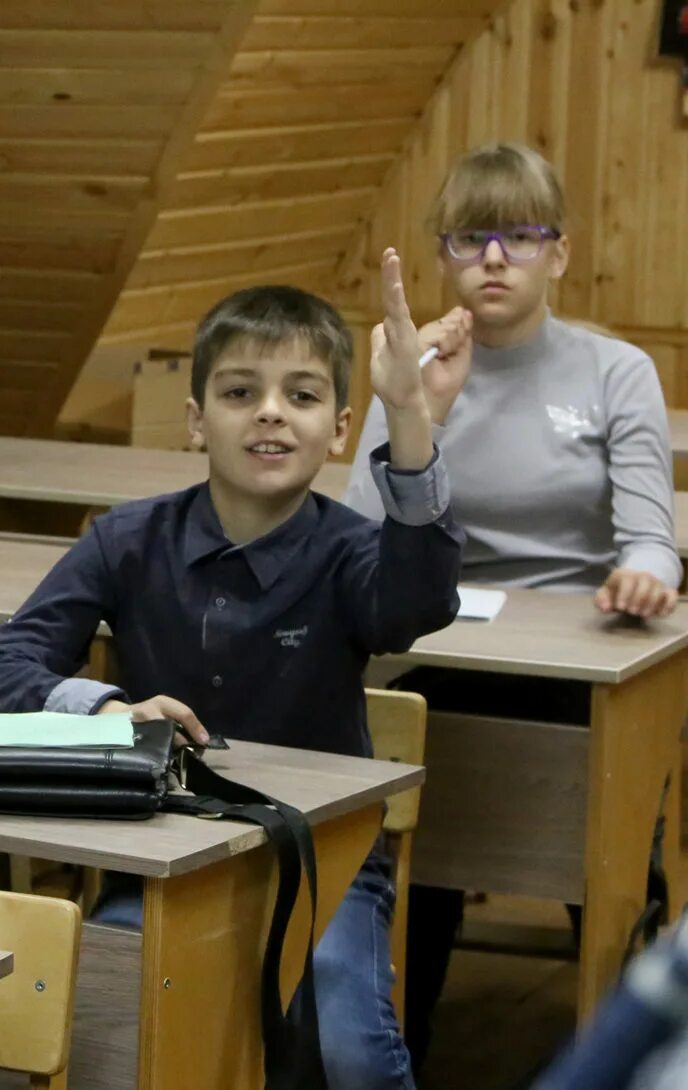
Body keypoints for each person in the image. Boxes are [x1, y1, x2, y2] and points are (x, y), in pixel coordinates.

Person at [0, 251, 466, 1089]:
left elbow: (418, 604)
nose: (270, 415)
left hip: (327, 860)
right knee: (105, 1021)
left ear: (341, 427)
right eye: (240, 394)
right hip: (170, 857)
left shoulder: (348, 551)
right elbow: (1, 665)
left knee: (349, 1051)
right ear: (196, 420)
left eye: (302, 397)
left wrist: (408, 416)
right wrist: (102, 708)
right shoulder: (126, 539)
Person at [342, 142, 683, 1068]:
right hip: (437, 660)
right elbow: (353, 539)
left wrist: (645, 575)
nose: (495, 259)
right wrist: (421, 408)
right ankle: (394, 1047)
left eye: (521, 237)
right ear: (443, 255)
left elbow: (652, 534)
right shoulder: (410, 366)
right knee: (413, 837)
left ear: (558, 256)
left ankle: (621, 1053)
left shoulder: (617, 373)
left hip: (579, 665)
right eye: (470, 238)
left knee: (599, 858)